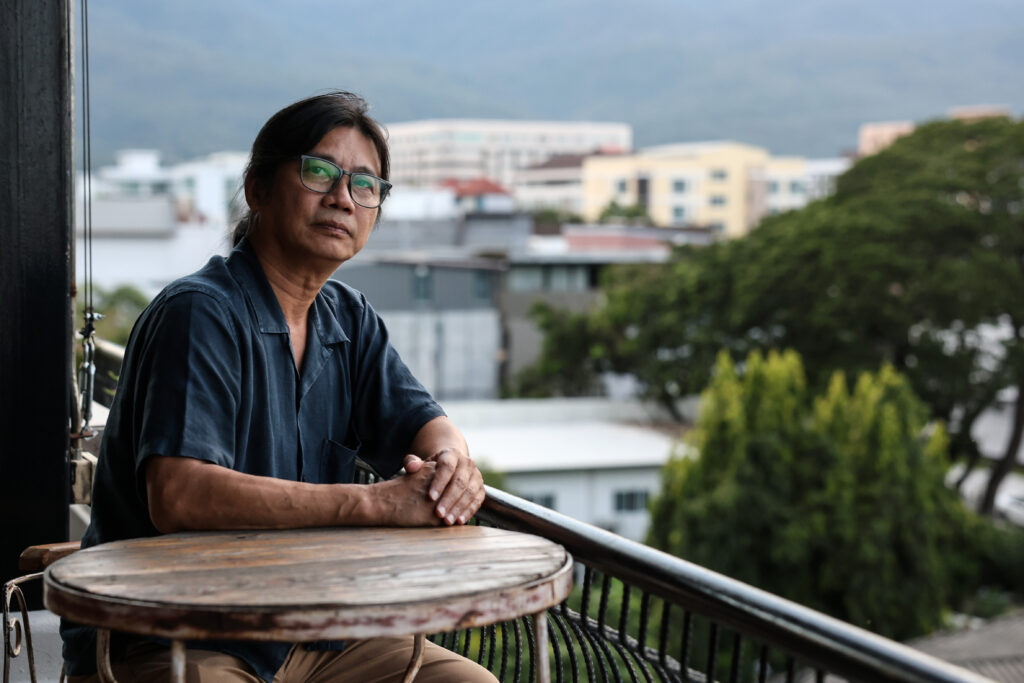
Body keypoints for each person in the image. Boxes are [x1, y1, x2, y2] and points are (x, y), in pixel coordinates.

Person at [61, 91, 495, 683]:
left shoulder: (349, 317)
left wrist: (452, 464)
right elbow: (179, 496)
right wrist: (374, 503)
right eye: (320, 171)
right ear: (258, 189)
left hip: (313, 630)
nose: (343, 197)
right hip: (174, 632)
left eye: (366, 185)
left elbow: (423, 418)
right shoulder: (201, 313)